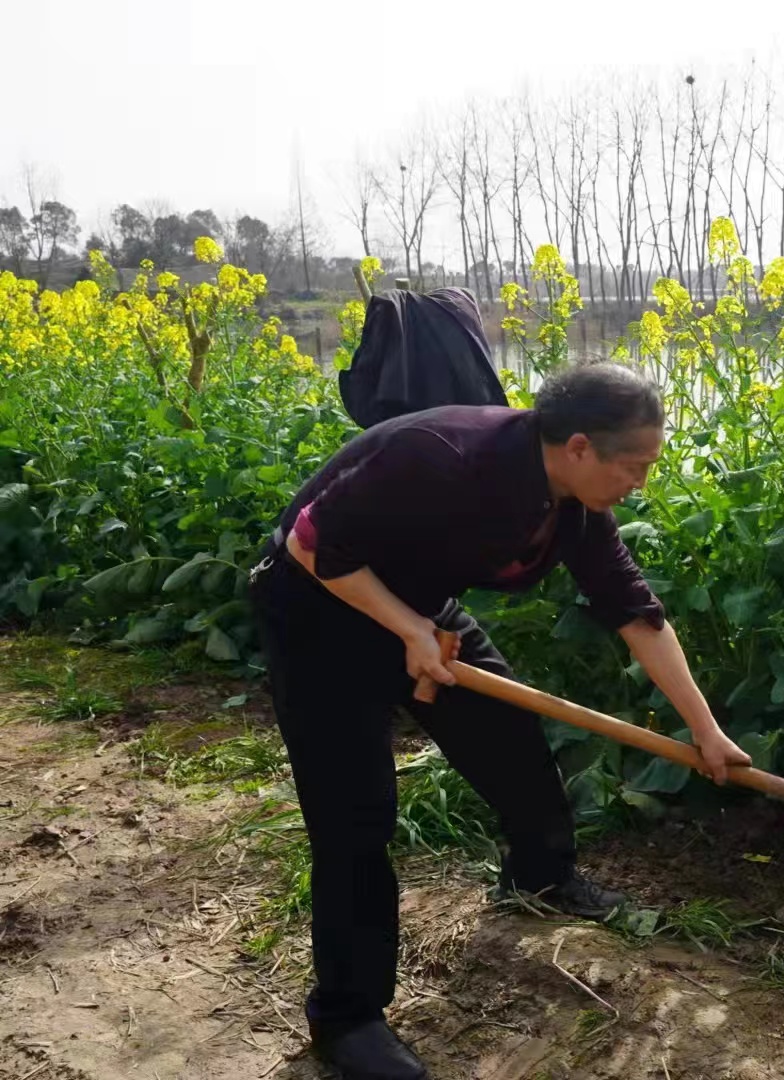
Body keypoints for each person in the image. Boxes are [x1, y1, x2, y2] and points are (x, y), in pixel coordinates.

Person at [249, 362, 752, 1080]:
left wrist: (704, 730)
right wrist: (408, 633)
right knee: (354, 816)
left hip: (417, 607)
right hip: (318, 616)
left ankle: (540, 876)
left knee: (511, 741)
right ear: (579, 447)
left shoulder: (570, 505)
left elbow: (634, 610)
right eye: (635, 466)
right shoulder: (443, 454)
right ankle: (347, 1018)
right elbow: (311, 543)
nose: (642, 482)